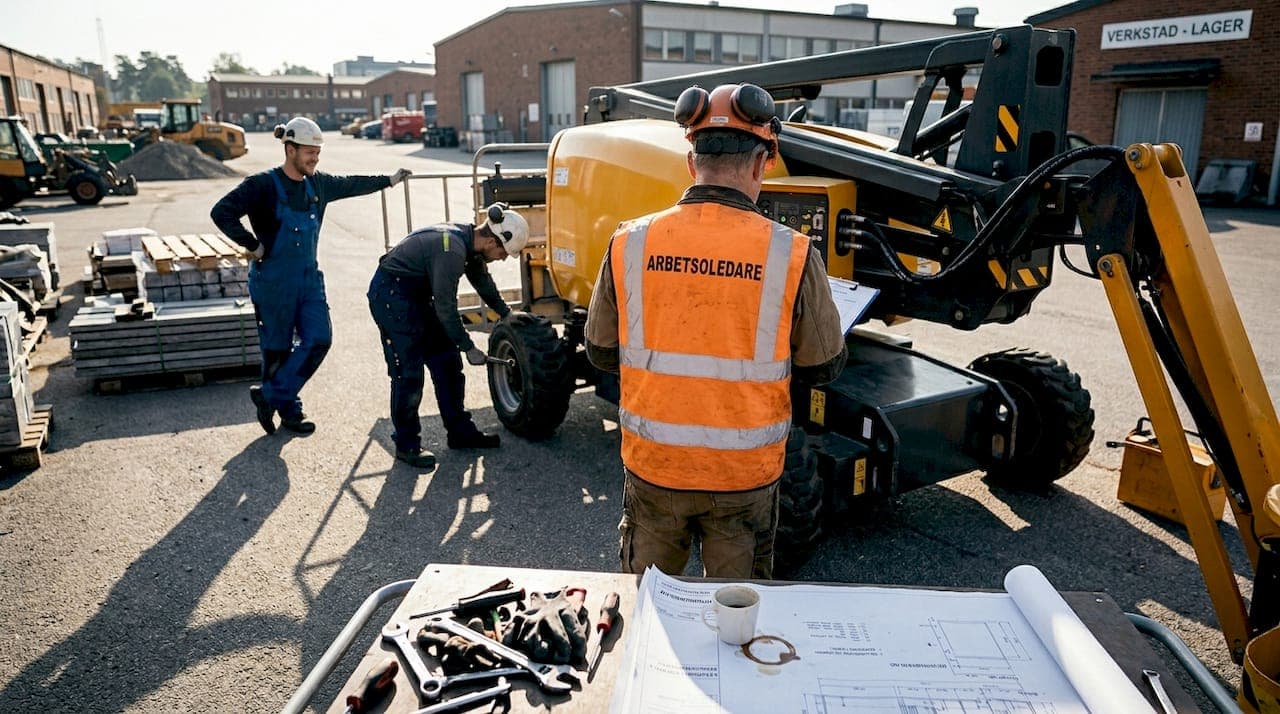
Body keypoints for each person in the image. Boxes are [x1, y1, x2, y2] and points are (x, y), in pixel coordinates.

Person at [584, 83, 847, 579]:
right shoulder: (790, 253)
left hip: (654, 469)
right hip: (744, 479)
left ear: (691, 162)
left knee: (651, 610)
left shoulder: (629, 242)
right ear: (761, 163)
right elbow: (823, 365)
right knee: (734, 625)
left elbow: (599, 352)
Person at [211, 117, 412, 436]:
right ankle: (289, 410)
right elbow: (221, 212)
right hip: (273, 282)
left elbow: (352, 183)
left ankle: (270, 395)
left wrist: (388, 180)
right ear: (289, 149)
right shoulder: (262, 185)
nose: (314, 159)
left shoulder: (318, 184)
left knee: (319, 339)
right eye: (309, 153)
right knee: (277, 350)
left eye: (318, 153)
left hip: (308, 280)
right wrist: (253, 245)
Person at [367, 204, 530, 468]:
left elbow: (482, 282)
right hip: (391, 296)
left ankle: (460, 432)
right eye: (502, 253)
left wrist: (506, 314)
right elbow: (446, 309)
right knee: (408, 373)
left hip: (416, 296)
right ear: (491, 241)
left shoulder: (470, 243)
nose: (501, 258)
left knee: (447, 363)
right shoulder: (451, 250)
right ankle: (407, 445)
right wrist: (469, 347)